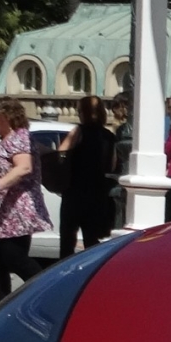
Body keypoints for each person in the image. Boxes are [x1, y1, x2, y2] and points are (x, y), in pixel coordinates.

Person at [0, 98, 51, 306]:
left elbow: (23, 167)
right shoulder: (4, 141)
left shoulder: (20, 137)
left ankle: (48, 294)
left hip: (14, 213)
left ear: (8, 118)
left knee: (14, 259)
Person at [55, 94, 118, 255]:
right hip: (97, 193)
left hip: (75, 192)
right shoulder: (109, 136)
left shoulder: (79, 131)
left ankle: (66, 274)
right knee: (92, 240)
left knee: (67, 240)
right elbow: (112, 165)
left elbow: (61, 152)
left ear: (84, 113)